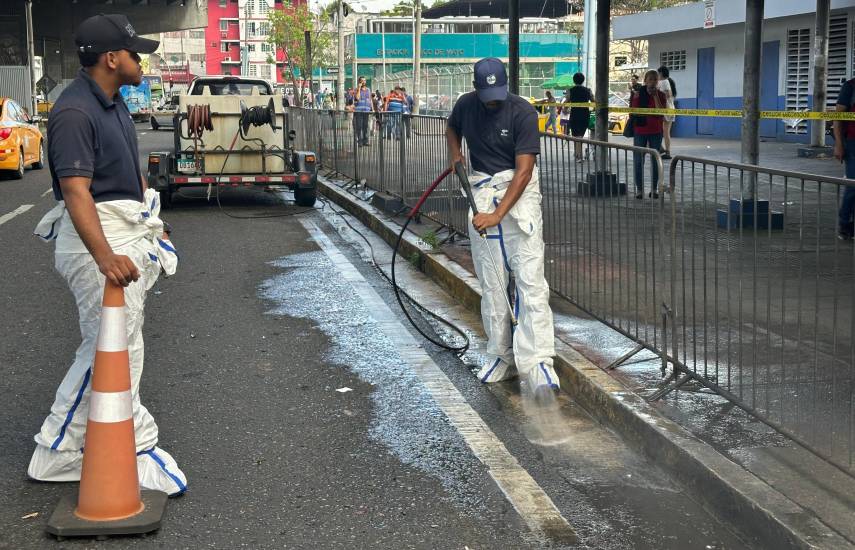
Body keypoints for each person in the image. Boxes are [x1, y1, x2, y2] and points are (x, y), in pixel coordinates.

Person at [28, 13, 186, 496]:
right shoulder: (75, 111)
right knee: (110, 350)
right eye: (134, 52)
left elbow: (125, 172)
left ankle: (80, 444)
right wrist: (104, 257)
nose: (141, 59)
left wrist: (148, 215)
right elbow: (76, 191)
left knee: (113, 347)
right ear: (111, 58)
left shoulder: (112, 103)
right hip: (100, 242)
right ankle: (61, 450)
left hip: (122, 233)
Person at [446, 57, 560, 403]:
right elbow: (451, 128)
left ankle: (538, 361)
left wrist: (497, 215)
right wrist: (456, 155)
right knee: (493, 281)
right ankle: (501, 354)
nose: (492, 100)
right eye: (486, 94)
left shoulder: (522, 112)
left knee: (529, 280)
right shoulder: (466, 104)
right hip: (482, 188)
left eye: (497, 93)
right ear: (476, 87)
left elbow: (525, 171)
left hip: (518, 191)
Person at [630, 70, 666, 199]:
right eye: (650, 79)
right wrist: (636, 97)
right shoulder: (638, 94)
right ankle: (639, 189)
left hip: (656, 132)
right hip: (640, 131)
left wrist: (655, 96)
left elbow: (660, 112)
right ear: (645, 81)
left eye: (655, 79)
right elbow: (634, 111)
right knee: (639, 161)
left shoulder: (661, 95)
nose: (653, 82)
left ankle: (654, 188)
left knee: (655, 161)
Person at [834, 76, 855, 240]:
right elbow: (839, 118)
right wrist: (839, 144)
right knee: (853, 184)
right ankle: (845, 223)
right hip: (852, 143)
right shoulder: (850, 87)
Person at [566, 73, 593, 162]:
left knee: (576, 136)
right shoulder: (588, 90)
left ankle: (579, 156)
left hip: (574, 114)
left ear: (574, 80)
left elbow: (566, 101)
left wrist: (564, 108)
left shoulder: (570, 90)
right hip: (585, 114)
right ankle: (577, 154)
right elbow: (594, 100)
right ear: (583, 80)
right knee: (579, 136)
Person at [657, 66, 677, 159]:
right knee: (665, 131)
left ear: (661, 73)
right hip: (670, 109)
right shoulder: (668, 81)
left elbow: (668, 94)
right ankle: (664, 149)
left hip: (666, 109)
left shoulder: (664, 82)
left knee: (664, 132)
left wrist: (657, 94)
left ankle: (665, 150)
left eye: (658, 73)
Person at [353, 77, 373, 146]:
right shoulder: (356, 90)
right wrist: (359, 88)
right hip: (359, 110)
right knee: (359, 126)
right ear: (359, 82)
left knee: (365, 126)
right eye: (362, 81)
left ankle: (365, 140)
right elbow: (357, 98)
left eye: (364, 80)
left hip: (366, 110)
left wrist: (372, 109)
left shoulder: (368, 90)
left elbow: (370, 100)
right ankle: (360, 140)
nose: (364, 82)